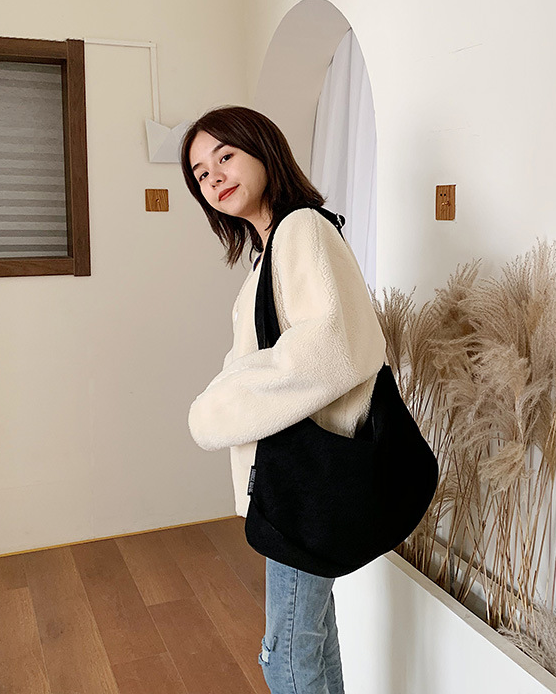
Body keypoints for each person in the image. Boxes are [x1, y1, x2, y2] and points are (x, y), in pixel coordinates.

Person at [180, 105, 387, 694]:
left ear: (263, 149)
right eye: (201, 173)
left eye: (225, 156)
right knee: (312, 642)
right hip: (298, 482)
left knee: (288, 655)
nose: (214, 177)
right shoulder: (272, 247)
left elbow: (330, 347)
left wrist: (215, 410)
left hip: (304, 484)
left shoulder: (301, 230)